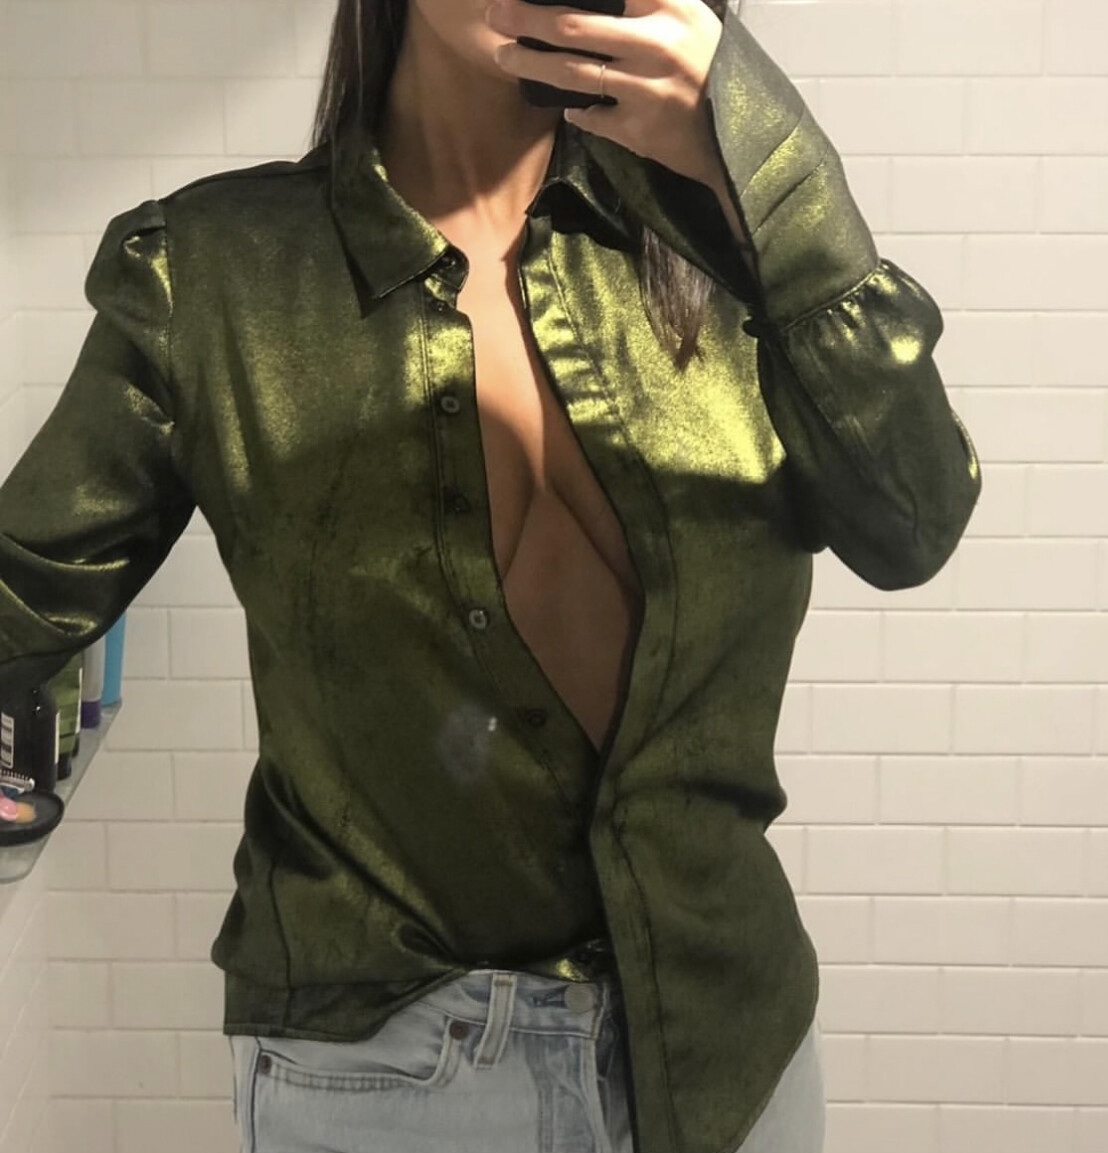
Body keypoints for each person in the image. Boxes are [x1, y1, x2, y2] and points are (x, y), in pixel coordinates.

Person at [0, 0, 982, 1151]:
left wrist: (762, 166)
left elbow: (912, 521)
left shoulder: (733, 249)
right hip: (387, 1077)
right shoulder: (213, 276)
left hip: (730, 1054)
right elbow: (22, 595)